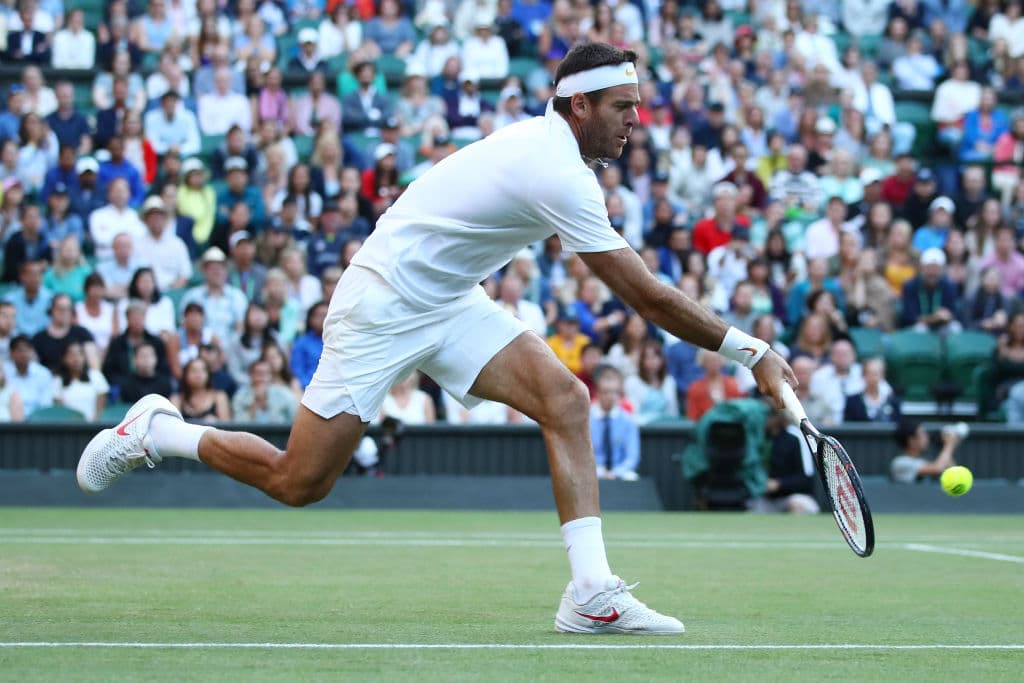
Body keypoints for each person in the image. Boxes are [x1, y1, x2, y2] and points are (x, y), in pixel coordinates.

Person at [78, 43, 795, 636]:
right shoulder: (556, 171)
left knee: (566, 400)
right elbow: (643, 292)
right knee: (300, 481)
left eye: (638, 106)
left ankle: (591, 593)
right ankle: (157, 430)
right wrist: (752, 351)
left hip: (449, 301)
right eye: (621, 107)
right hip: (382, 304)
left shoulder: (561, 156)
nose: (635, 121)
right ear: (579, 105)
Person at [751, 407, 821, 514]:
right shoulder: (759, 439)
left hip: (793, 497)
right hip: (766, 501)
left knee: (798, 505)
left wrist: (779, 484)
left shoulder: (796, 437)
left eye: (769, 416)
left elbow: (806, 479)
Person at [589, 367, 640, 481]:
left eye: (614, 392)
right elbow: (580, 456)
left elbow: (632, 457)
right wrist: (599, 472)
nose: (610, 397)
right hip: (592, 473)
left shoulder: (628, 420)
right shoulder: (585, 419)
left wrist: (616, 472)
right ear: (597, 393)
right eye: (606, 392)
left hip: (620, 473)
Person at [891, 419, 962, 484]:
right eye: (923, 434)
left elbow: (952, 472)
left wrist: (947, 445)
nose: (927, 437)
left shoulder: (923, 461)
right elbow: (937, 468)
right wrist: (949, 444)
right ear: (911, 440)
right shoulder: (900, 463)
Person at [52, 341, 109, 421]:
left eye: (80, 354)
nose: (76, 359)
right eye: (71, 355)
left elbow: (101, 409)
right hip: (68, 428)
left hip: (94, 427)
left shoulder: (96, 376)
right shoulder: (57, 381)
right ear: (63, 358)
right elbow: (61, 412)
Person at [2, 334, 53, 417]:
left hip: (38, 422)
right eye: (20, 350)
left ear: (32, 352)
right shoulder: (4, 372)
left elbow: (45, 405)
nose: (24, 354)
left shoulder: (43, 373)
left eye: (27, 350)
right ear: (11, 353)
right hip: (9, 421)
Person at [232, 359, 297, 423]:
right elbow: (238, 425)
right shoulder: (240, 397)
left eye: (265, 374)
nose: (261, 378)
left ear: (271, 376)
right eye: (258, 373)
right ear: (251, 375)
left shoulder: (284, 394)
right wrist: (254, 405)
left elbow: (294, 421)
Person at [173, 356, 231, 423]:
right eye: (193, 370)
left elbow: (227, 426)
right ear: (185, 374)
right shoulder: (176, 400)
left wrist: (217, 422)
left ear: (208, 374)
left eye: (203, 370)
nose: (198, 374)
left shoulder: (219, 396)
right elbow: (172, 427)